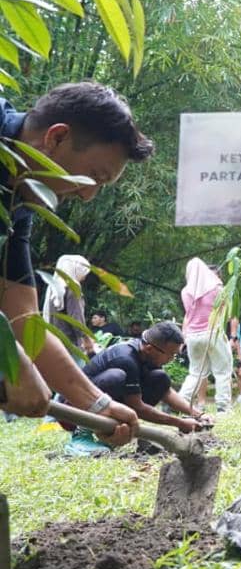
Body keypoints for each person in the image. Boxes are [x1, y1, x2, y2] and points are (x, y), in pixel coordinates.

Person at [0, 82, 152, 439]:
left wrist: (95, 402)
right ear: (56, 138)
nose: (87, 196)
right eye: (93, 177)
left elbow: (23, 316)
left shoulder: (16, 200)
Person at [63, 321, 209, 454]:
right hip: (73, 411)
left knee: (160, 378)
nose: (171, 359)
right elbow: (137, 407)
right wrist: (179, 423)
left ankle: (108, 436)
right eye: (171, 355)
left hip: (104, 408)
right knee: (116, 377)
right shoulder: (126, 359)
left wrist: (197, 414)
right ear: (150, 348)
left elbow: (167, 392)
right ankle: (80, 436)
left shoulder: (146, 354)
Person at [178, 258, 235, 412]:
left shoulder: (185, 292)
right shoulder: (217, 288)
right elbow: (227, 313)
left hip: (192, 336)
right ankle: (223, 407)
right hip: (213, 333)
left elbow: (189, 315)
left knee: (195, 372)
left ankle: (180, 402)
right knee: (222, 371)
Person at [41, 254, 93, 361]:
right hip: (70, 345)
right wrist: (87, 338)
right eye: (83, 272)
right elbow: (76, 319)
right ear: (75, 269)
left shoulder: (53, 288)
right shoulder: (73, 289)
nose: (84, 277)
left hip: (53, 342)